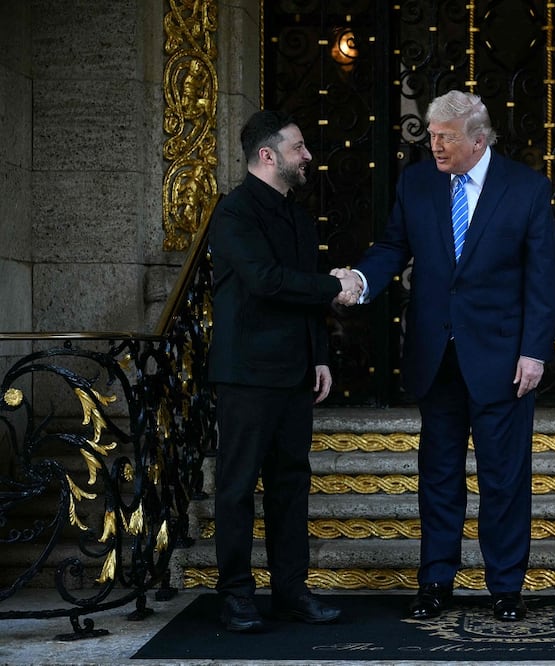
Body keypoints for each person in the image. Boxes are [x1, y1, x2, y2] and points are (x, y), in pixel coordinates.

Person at [337, 90, 555, 621]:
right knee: (438, 476)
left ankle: (505, 586)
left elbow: (543, 276)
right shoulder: (417, 182)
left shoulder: (527, 188)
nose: (433, 145)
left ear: (478, 140)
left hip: (503, 360)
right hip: (435, 356)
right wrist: (363, 278)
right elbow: (394, 246)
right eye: (431, 135)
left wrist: (534, 351)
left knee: (504, 478)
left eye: (444, 138)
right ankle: (436, 582)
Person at [207, 110, 360, 633]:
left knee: (290, 486)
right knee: (237, 488)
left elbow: (300, 297)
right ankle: (235, 597)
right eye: (299, 148)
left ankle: (291, 592)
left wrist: (318, 354)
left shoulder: (296, 215)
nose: (308, 156)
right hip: (246, 373)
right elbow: (267, 281)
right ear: (267, 155)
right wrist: (334, 286)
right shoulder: (233, 213)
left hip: (294, 371)